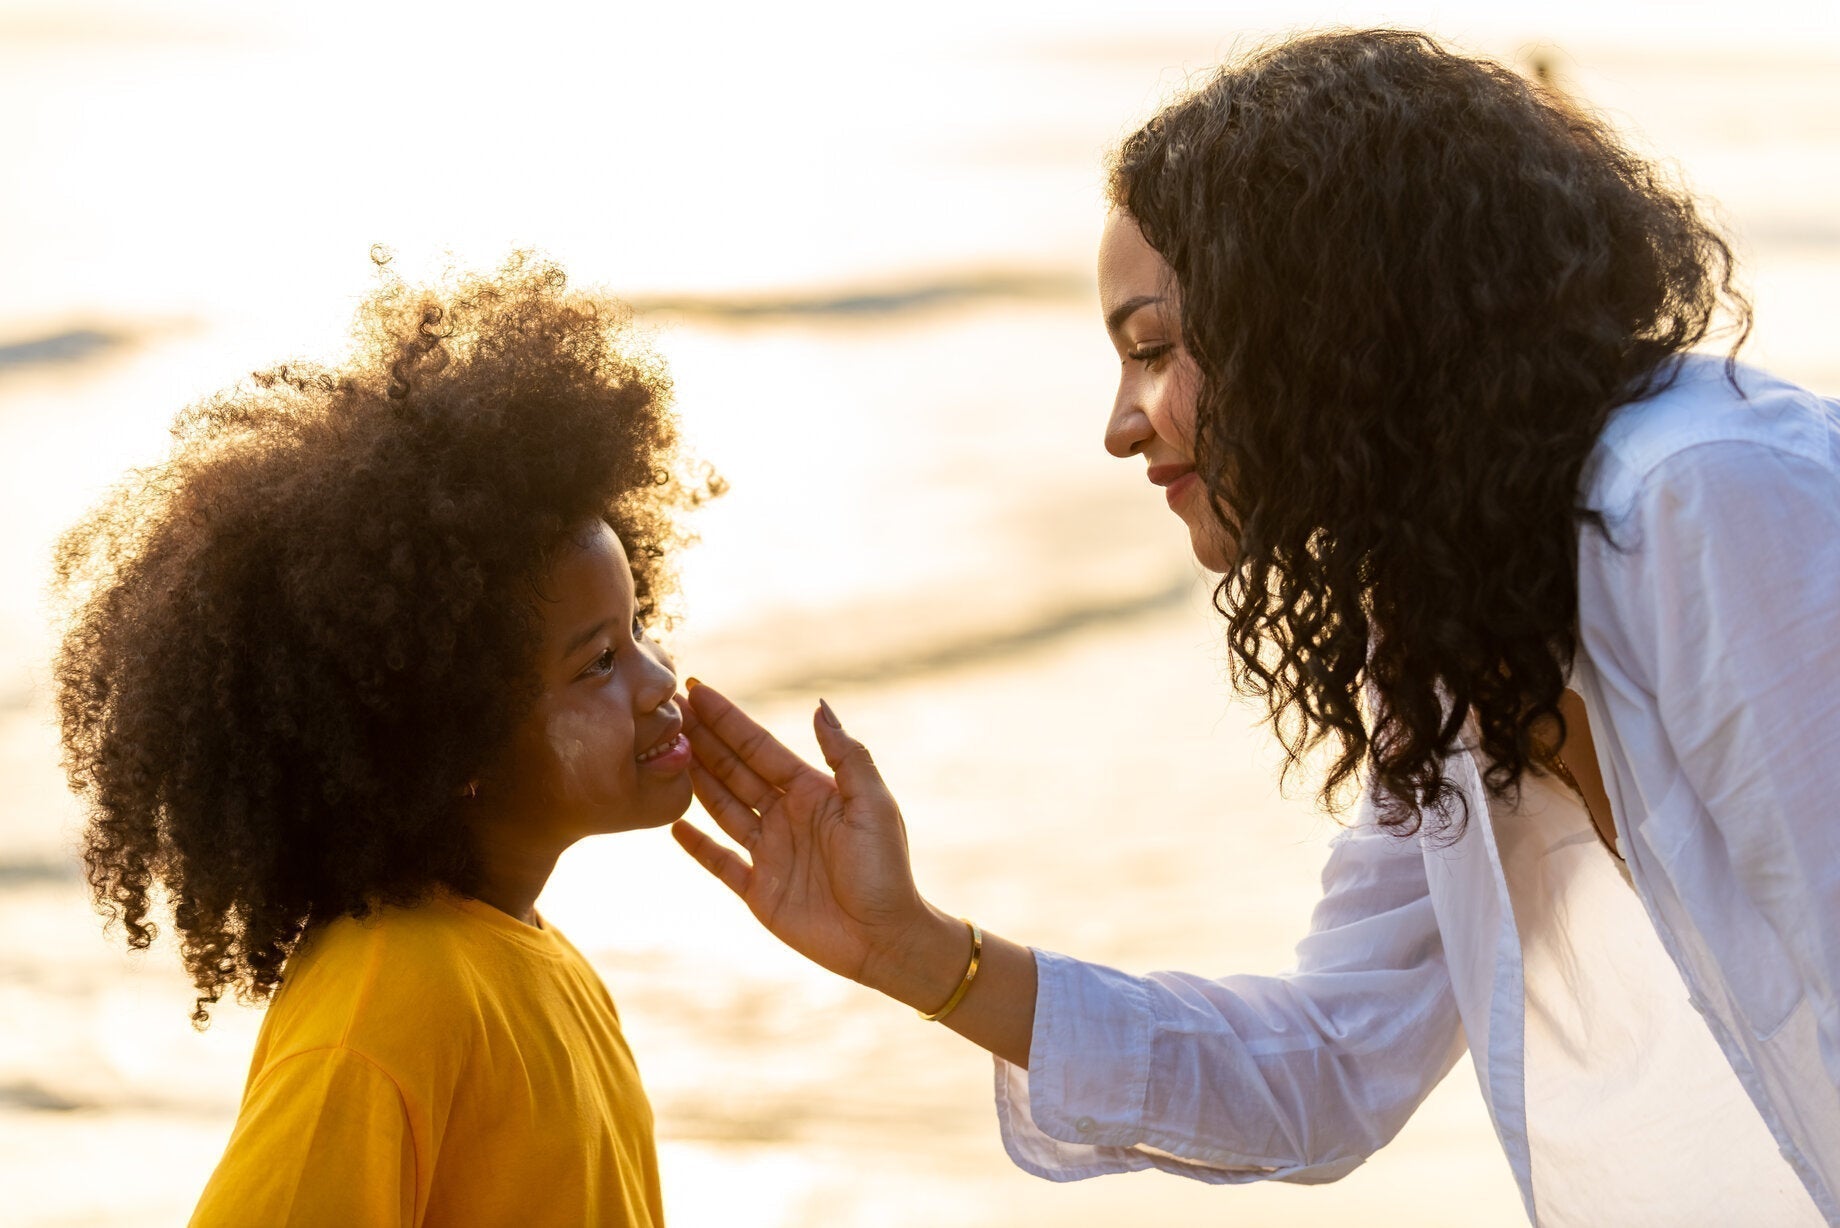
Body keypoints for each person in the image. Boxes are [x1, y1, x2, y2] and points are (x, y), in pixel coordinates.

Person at [670, 29, 1840, 1226]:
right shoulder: (1452, 628)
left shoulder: (1700, 496)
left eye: (1153, 349)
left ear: (1319, 318)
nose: (1122, 427)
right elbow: (1331, 1064)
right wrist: (913, 949)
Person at [52, 253, 716, 1226]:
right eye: (597, 664)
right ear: (452, 747)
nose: (660, 682)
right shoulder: (385, 1007)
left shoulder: (536, 963)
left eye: (637, 632)